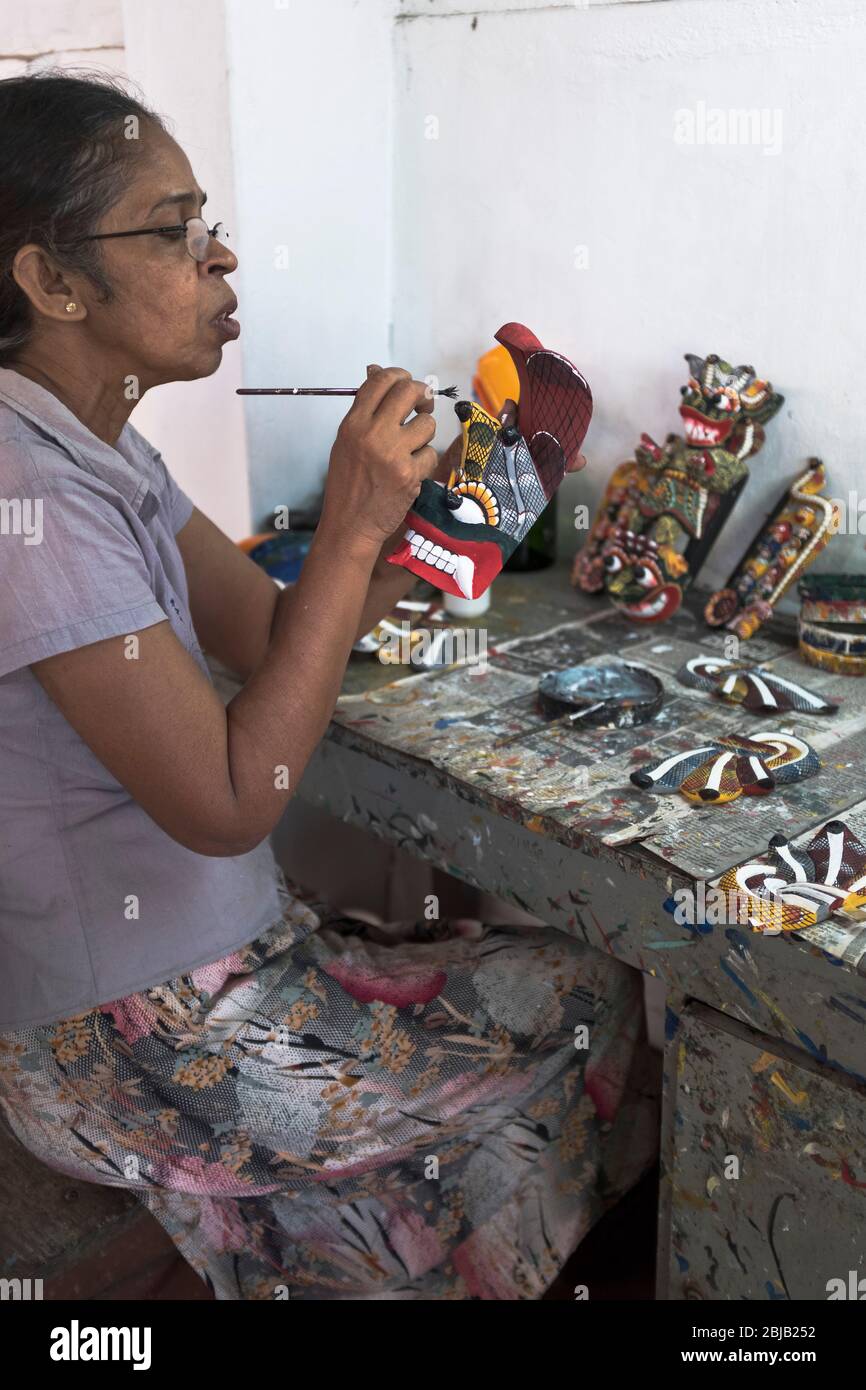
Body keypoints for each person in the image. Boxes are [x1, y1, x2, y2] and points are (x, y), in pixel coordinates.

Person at [0, 70, 657, 1299]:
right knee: (582, 994)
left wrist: (475, 512)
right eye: (176, 230)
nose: (223, 257)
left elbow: (269, 629)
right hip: (133, 1039)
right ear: (50, 281)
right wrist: (354, 520)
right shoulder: (24, 493)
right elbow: (234, 802)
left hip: (217, 975)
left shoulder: (92, 444)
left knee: (491, 1113)